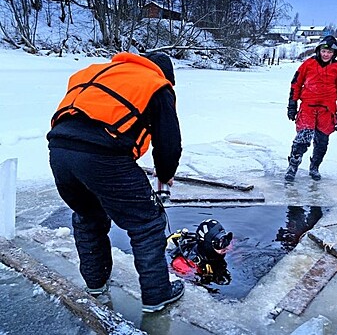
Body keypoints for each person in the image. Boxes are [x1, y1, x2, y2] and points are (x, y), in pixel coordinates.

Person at [47, 51, 184, 312]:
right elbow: (168, 143)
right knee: (147, 223)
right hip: (103, 156)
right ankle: (157, 295)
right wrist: (165, 176)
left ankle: (95, 283)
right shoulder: (156, 84)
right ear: (165, 74)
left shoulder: (96, 71)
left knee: (88, 215)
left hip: (59, 152)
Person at [285, 35, 337, 181]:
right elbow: (296, 84)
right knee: (302, 138)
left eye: (330, 52)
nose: (326, 55)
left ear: (334, 53)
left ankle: (315, 167)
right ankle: (293, 166)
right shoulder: (308, 64)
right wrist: (292, 104)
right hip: (308, 107)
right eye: (324, 51)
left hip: (327, 111)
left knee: (322, 142)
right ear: (319, 50)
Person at [168, 219, 233, 286]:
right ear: (208, 245)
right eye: (219, 243)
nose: (226, 246)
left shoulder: (223, 248)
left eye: (225, 240)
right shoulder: (184, 264)